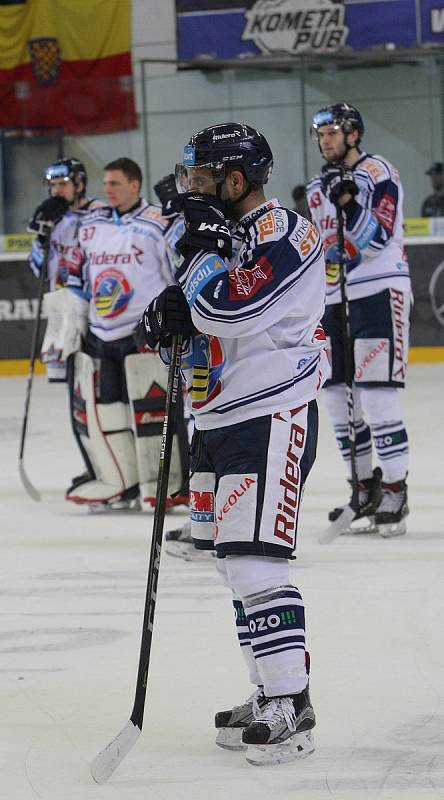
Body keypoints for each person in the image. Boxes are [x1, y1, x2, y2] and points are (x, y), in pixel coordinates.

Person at [141, 123, 329, 766]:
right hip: (216, 415)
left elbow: (230, 311)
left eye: (201, 179)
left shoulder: (288, 232)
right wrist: (164, 320)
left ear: (237, 179)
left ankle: (291, 702)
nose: (190, 190)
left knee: (255, 563)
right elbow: (195, 321)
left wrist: (198, 270)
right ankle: (266, 687)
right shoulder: (216, 235)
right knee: (230, 564)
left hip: (270, 412)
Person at [306, 103, 411, 537]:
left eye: (332, 131)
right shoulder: (316, 188)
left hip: (379, 292)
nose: (326, 139)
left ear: (353, 134)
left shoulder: (378, 172)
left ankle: (395, 490)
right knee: (336, 399)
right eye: (321, 134)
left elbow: (378, 237)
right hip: (333, 298)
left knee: (376, 396)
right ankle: (363, 488)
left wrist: (348, 201)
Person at [61, 157, 188, 509]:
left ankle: (166, 483)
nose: (108, 190)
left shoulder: (157, 223)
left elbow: (178, 275)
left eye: (115, 183)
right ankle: (123, 480)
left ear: (135, 185)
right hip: (101, 333)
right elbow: (77, 274)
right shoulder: (91, 226)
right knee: (108, 410)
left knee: (154, 413)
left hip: (144, 334)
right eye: (106, 184)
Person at [28, 158, 104, 488]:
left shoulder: (99, 213)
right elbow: (38, 269)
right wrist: (42, 236)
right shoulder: (52, 218)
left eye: (62, 185)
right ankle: (94, 466)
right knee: (76, 400)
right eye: (53, 186)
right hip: (63, 315)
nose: (56, 191)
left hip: (97, 311)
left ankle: (117, 466)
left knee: (103, 396)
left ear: (80, 184)